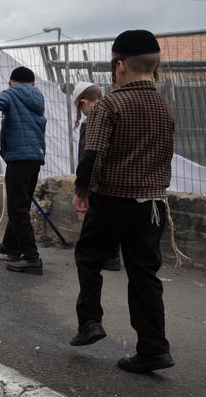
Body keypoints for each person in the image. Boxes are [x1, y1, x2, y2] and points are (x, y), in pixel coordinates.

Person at [71, 30, 176, 373]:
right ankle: (154, 349)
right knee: (145, 274)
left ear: (119, 66)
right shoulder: (164, 106)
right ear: (155, 65)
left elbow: (92, 155)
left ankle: (90, 321)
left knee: (89, 257)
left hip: (114, 199)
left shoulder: (110, 105)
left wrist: (82, 191)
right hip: (153, 204)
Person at [0, 66, 47, 274]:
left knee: (17, 209)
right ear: (33, 84)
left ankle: (31, 258)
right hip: (35, 158)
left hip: (19, 158)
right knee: (20, 204)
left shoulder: (11, 94)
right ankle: (11, 246)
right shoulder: (38, 98)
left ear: (11, 82)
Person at [72, 82, 122, 272]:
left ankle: (96, 260)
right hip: (117, 179)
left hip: (97, 181)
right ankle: (112, 256)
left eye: (80, 108)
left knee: (93, 223)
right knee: (111, 220)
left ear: (84, 102)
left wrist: (81, 188)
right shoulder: (115, 114)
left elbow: (88, 156)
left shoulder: (92, 122)